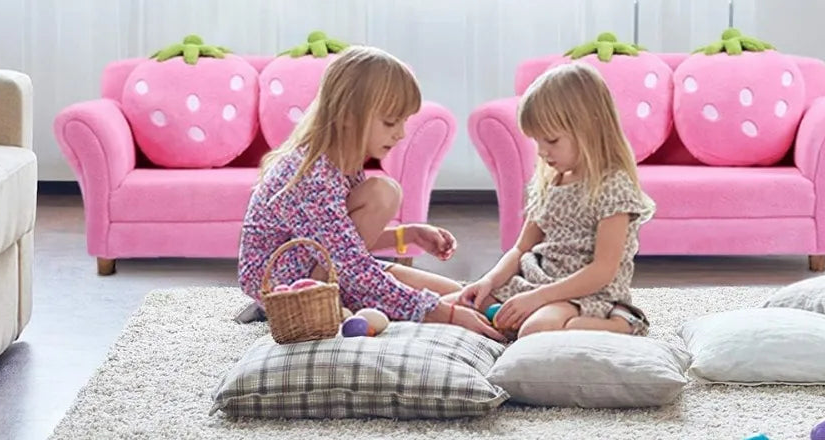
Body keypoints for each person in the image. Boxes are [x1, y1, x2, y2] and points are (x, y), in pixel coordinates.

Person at [238, 45, 502, 339]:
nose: (400, 133)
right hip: (286, 284)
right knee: (383, 198)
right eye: (390, 122)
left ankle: (484, 307)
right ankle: (315, 304)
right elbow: (350, 263)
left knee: (470, 297)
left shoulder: (343, 163)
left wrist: (408, 235)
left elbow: (340, 243)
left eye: (403, 122)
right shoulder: (311, 176)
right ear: (348, 114)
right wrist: (444, 315)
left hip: (321, 265)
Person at [458, 63, 655, 338]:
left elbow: (602, 271)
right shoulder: (552, 180)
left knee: (535, 329)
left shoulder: (613, 187)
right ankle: (532, 320)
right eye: (537, 142)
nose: (541, 152)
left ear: (589, 130)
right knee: (465, 306)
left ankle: (621, 324)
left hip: (582, 293)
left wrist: (539, 299)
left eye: (551, 141)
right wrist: (488, 282)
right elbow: (520, 249)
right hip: (539, 281)